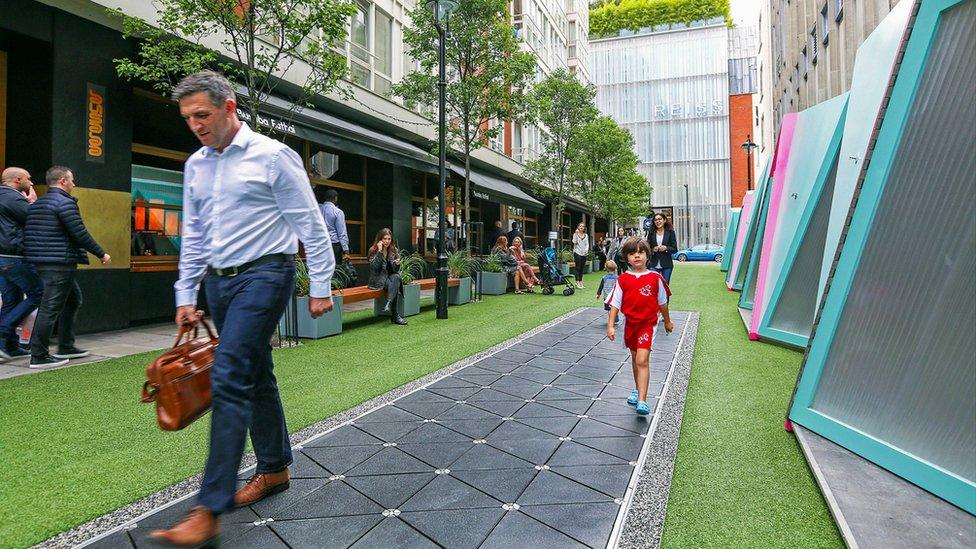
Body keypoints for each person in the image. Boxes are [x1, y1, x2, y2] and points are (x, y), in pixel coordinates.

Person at [151, 71, 335, 547]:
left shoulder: (273, 157)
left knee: (230, 374)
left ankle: (207, 508)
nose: (194, 124)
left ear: (229, 107)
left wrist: (320, 285)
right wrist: (186, 295)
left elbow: (310, 226)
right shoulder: (195, 165)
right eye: (188, 117)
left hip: (266, 275)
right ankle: (274, 469)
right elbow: (194, 235)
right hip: (218, 282)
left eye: (202, 115)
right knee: (256, 374)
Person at [23, 166, 111, 369]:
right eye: (72, 180)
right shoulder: (64, 203)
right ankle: (39, 355)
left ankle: (66, 345)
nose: (74, 184)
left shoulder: (37, 204)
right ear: (62, 181)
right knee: (50, 307)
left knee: (73, 300)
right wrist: (101, 253)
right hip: (59, 264)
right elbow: (79, 233)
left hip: (44, 262)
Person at [605, 239, 673, 416]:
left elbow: (662, 303)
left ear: (647, 256)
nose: (637, 255)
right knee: (635, 359)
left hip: (648, 325)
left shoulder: (655, 278)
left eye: (641, 252)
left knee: (642, 360)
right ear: (627, 258)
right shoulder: (623, 279)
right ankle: (637, 388)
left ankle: (642, 400)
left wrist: (667, 321)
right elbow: (615, 304)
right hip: (630, 325)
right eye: (632, 253)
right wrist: (611, 325)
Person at [0, 167, 43, 360]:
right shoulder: (13, 197)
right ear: (18, 179)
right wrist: (32, 203)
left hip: (2, 257)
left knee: (12, 300)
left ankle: (7, 346)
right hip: (14, 257)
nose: (32, 182)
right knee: (38, 294)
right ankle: (5, 329)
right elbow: (35, 220)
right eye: (29, 178)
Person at [367, 228, 408, 325]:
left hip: (390, 278)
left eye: (389, 239)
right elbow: (374, 268)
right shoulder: (373, 250)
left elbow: (395, 270)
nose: (387, 241)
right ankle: (395, 315)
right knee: (394, 284)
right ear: (380, 239)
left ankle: (389, 304)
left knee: (396, 277)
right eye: (385, 239)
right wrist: (380, 252)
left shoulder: (393, 250)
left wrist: (397, 264)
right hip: (378, 280)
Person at [320, 188, 350, 263]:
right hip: (333, 246)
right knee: (335, 270)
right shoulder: (337, 212)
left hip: (319, 244)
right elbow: (342, 233)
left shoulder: (317, 208)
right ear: (335, 198)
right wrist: (346, 250)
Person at [649, 212, 678, 284]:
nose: (657, 221)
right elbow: (647, 247)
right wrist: (653, 249)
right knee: (654, 286)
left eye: (660, 219)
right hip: (653, 264)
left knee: (665, 287)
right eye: (655, 220)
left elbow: (675, 249)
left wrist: (666, 248)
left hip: (667, 264)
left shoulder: (670, 232)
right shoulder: (651, 232)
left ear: (664, 220)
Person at [595, 259, 618, 324]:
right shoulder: (617, 278)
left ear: (606, 269)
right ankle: (614, 317)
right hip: (615, 297)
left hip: (607, 297)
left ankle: (612, 319)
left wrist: (598, 294)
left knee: (608, 309)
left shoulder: (604, 278)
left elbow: (601, 287)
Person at [572, 222, 589, 289]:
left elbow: (587, 244)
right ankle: (577, 282)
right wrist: (576, 234)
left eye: (583, 226)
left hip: (584, 253)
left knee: (582, 268)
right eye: (580, 226)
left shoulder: (586, 235)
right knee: (578, 267)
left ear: (584, 228)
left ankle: (581, 281)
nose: (581, 227)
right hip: (577, 252)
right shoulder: (575, 234)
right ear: (578, 227)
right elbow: (574, 242)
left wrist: (586, 250)